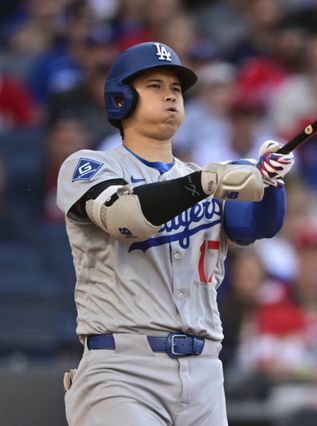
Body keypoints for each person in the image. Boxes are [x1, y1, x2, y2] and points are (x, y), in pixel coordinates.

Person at [56, 42, 294, 426]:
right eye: (154, 85)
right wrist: (206, 182)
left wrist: (270, 184)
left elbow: (257, 225)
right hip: (123, 369)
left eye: (176, 89)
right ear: (120, 98)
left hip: (204, 372)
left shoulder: (204, 177)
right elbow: (125, 218)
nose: (170, 95)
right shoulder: (89, 166)